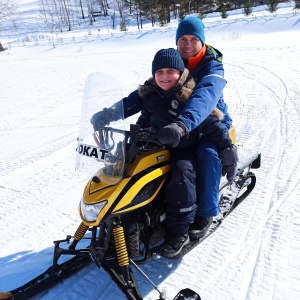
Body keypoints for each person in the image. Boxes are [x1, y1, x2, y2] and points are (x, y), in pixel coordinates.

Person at [91, 48, 238, 258]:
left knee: (181, 176)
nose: (165, 76)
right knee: (123, 169)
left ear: (181, 72)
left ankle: (178, 232)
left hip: (182, 148)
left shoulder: (188, 95)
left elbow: (210, 123)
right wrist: (106, 115)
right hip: (152, 144)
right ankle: (121, 217)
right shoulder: (149, 92)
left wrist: (226, 146)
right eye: (159, 71)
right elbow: (127, 104)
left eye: (171, 71)